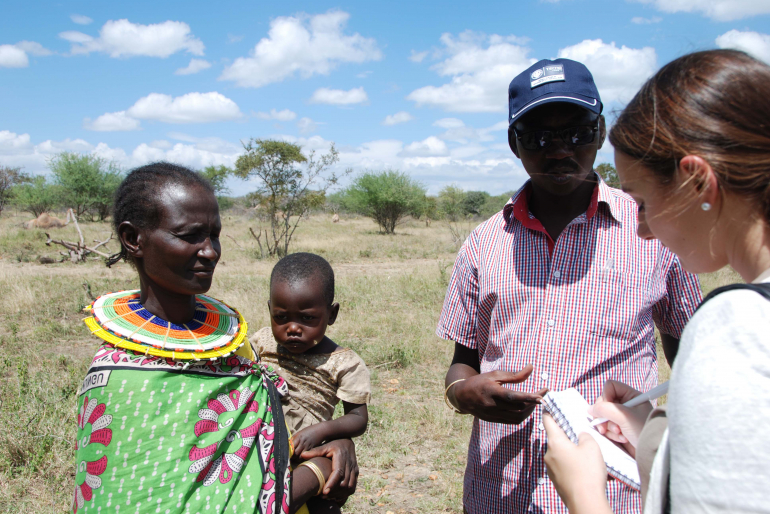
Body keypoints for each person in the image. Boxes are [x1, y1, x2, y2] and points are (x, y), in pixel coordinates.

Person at [437, 58, 702, 513]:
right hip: (500, 493)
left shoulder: (652, 229)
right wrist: (463, 393)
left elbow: (692, 358)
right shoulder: (484, 244)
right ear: (513, 144)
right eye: (538, 137)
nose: (559, 151)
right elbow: (463, 364)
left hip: (617, 489)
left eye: (577, 132)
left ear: (600, 133)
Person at [543, 49, 770, 514]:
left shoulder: (738, 328)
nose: (641, 227)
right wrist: (658, 437)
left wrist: (585, 495)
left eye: (642, 202)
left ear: (696, 182)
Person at [73, 162, 357, 514]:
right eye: (189, 235)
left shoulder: (234, 342)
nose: (210, 251)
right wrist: (319, 471)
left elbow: (267, 443)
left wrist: (337, 441)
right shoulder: (120, 377)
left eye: (214, 234)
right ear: (134, 239)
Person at [251, 252, 371, 513]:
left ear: (332, 314)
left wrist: (320, 432)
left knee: (321, 503)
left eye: (307, 318)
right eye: (281, 317)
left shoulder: (344, 363)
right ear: (269, 310)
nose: (293, 328)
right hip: (260, 443)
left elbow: (358, 419)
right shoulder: (261, 342)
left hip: (311, 452)